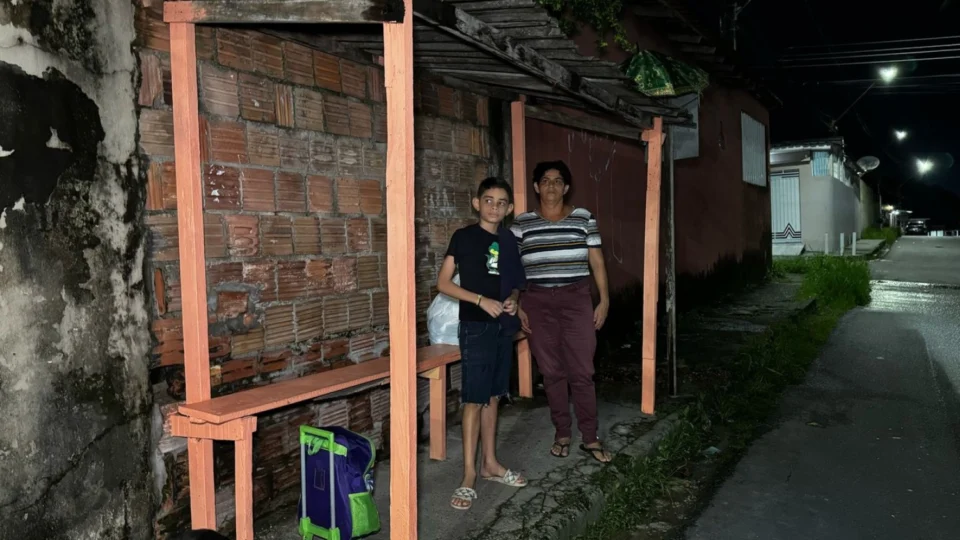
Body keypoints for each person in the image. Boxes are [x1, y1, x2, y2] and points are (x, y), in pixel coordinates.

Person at [437, 177, 528, 511]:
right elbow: (443, 283)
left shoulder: (508, 240)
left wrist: (513, 301)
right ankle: (468, 475)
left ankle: (490, 463)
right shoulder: (463, 237)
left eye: (501, 202)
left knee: (492, 397)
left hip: (502, 327)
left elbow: (517, 285)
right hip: (475, 326)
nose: (494, 207)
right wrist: (479, 300)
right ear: (477, 203)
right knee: (473, 399)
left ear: (510, 209)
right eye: (488, 200)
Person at [513, 160, 613, 463]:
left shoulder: (583, 218)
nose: (551, 186)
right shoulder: (522, 223)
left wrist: (604, 300)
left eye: (558, 181)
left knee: (582, 371)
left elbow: (596, 261)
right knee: (552, 371)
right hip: (537, 302)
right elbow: (513, 268)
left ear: (566, 187)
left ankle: (591, 437)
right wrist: (517, 303)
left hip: (576, 299)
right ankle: (562, 433)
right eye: (545, 180)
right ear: (536, 187)